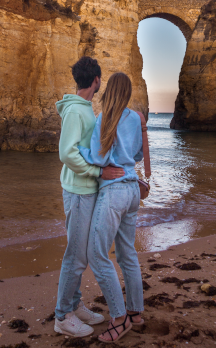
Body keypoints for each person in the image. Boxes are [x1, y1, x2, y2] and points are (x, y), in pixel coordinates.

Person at [54, 57, 125, 338]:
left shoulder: (84, 109)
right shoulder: (76, 112)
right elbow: (67, 153)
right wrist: (98, 172)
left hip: (85, 191)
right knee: (76, 256)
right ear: (96, 81)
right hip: (79, 191)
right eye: (100, 80)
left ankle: (74, 304)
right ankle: (62, 316)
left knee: (80, 252)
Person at [78, 72, 144, 343]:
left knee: (96, 253)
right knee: (127, 253)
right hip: (133, 191)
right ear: (127, 93)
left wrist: (77, 151)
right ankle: (136, 313)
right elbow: (137, 154)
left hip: (114, 193)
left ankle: (119, 318)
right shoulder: (134, 119)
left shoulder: (104, 119)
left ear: (108, 92)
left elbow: (98, 157)